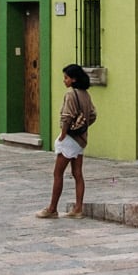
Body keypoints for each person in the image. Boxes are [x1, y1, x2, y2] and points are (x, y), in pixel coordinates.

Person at [37, 64, 97, 220]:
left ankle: (52, 208)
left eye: (66, 77)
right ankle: (78, 208)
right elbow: (93, 115)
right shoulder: (85, 95)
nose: (64, 80)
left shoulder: (71, 95)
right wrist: (83, 127)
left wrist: (63, 134)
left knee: (58, 173)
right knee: (78, 174)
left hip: (69, 139)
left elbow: (67, 116)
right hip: (81, 140)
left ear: (73, 79)